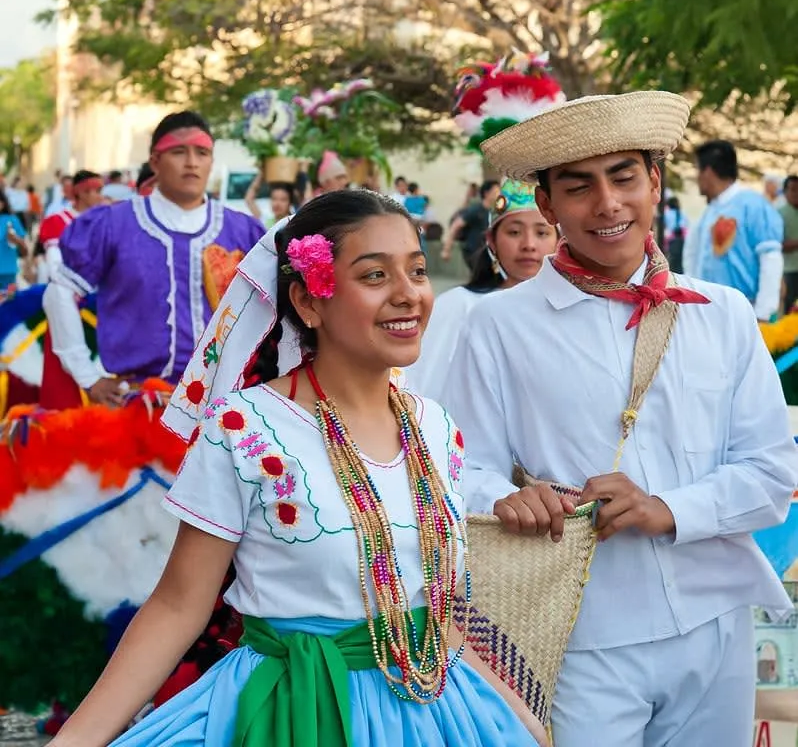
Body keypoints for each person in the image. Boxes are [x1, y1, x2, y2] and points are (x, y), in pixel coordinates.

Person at [49, 189, 544, 747]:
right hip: (293, 712)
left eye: (418, 271)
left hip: (434, 711)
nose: (409, 296)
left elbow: (437, 614)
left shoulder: (435, 429)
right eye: (375, 276)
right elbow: (177, 607)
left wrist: (516, 715)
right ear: (309, 303)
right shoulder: (246, 428)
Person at [444, 91, 798, 747]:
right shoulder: (497, 325)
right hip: (583, 632)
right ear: (547, 206)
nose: (607, 204)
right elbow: (456, 470)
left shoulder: (720, 312)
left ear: (655, 182)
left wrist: (664, 508)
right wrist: (509, 498)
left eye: (625, 177)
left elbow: (773, 472)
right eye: (578, 187)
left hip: (717, 621)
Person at [42, 110, 266, 409]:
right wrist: (88, 377)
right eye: (178, 152)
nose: (191, 162)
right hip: (138, 405)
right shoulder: (113, 224)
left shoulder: (243, 230)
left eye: (202, 153)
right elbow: (59, 292)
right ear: (155, 161)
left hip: (224, 406)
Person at [406, 180, 557, 401]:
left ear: (560, 240)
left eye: (542, 233)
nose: (528, 244)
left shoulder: (576, 309)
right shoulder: (458, 306)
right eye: (514, 232)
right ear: (492, 241)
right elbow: (421, 390)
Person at [684, 140, 784, 322]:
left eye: (697, 170)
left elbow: (771, 259)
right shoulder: (709, 212)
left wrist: (762, 314)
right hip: (710, 314)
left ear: (708, 172)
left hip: (744, 315)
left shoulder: (753, 205)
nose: (696, 177)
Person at [38, 169, 104, 279]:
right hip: (68, 289)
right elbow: (55, 266)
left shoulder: (104, 221)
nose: (100, 197)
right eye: (97, 192)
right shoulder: (57, 221)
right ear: (82, 193)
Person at [441, 180, 501, 269]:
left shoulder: (495, 212)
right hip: (474, 252)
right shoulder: (475, 210)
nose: (499, 195)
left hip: (489, 252)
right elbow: (455, 226)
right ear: (486, 193)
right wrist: (446, 249)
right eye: (496, 192)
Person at [0, 187, 28, 289]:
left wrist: (16, 240)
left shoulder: (12, 220)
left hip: (7, 273)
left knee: (8, 303)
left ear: (2, 203)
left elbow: (25, 252)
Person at [780, 175, 798, 313]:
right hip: (789, 271)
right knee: (790, 310)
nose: (796, 193)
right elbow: (779, 245)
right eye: (793, 189)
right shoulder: (779, 214)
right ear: (785, 192)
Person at [662, 195, 687, 273]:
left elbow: (664, 226)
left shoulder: (667, 214)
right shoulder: (682, 214)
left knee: (672, 261)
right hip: (682, 240)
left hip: (671, 240)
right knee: (680, 262)